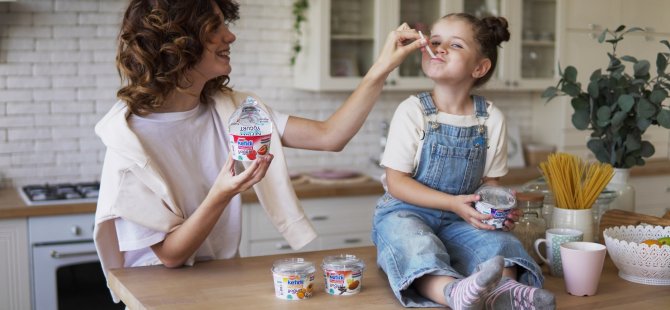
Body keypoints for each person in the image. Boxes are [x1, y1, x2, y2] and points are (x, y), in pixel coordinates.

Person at [93, 0, 427, 303]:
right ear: (179, 41)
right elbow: (170, 255)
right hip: (157, 293)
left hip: (219, 283)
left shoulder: (235, 111)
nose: (230, 37)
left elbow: (330, 136)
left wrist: (382, 66)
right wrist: (222, 192)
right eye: (216, 27)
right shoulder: (128, 140)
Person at [372, 13, 555, 309]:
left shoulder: (492, 118)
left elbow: (490, 183)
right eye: (435, 41)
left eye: (455, 45)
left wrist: (495, 209)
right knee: (416, 243)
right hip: (405, 213)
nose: (440, 48)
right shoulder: (412, 111)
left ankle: (504, 290)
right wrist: (453, 203)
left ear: (480, 67)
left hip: (461, 218)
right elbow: (396, 183)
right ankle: (452, 292)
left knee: (501, 244)